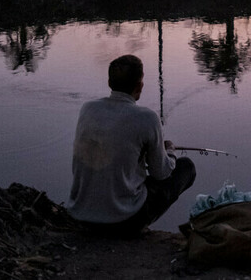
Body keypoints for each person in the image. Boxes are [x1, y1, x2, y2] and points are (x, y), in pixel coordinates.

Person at [67, 54, 196, 236]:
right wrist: (170, 152)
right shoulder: (147, 118)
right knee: (186, 167)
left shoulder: (87, 108)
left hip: (80, 215)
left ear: (109, 83)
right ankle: (138, 223)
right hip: (124, 222)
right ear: (140, 86)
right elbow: (161, 174)